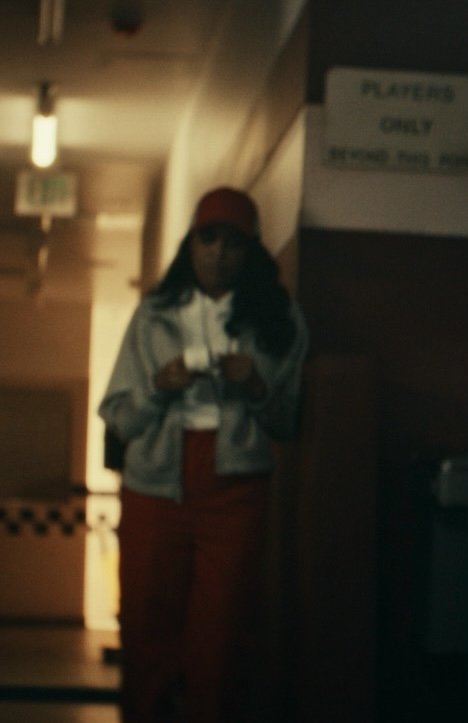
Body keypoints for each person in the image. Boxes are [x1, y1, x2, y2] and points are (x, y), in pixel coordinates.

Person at [99, 187, 308, 722]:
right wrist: (159, 386)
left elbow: (286, 422)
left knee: (221, 633)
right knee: (145, 624)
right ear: (190, 244)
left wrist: (255, 385)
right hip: (155, 482)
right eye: (208, 238)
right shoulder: (154, 316)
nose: (218, 253)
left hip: (236, 486)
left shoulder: (278, 320)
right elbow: (119, 416)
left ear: (252, 251)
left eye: (233, 243)